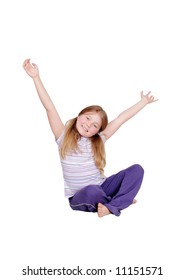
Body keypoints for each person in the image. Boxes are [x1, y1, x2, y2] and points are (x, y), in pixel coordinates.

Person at [23, 58, 158, 218]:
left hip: (102, 186)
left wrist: (143, 102)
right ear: (80, 114)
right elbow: (49, 107)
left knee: (137, 170)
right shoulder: (62, 134)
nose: (88, 125)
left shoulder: (99, 140)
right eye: (87, 118)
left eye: (95, 125)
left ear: (97, 131)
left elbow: (121, 119)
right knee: (93, 191)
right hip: (81, 195)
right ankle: (119, 201)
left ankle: (113, 204)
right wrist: (36, 77)